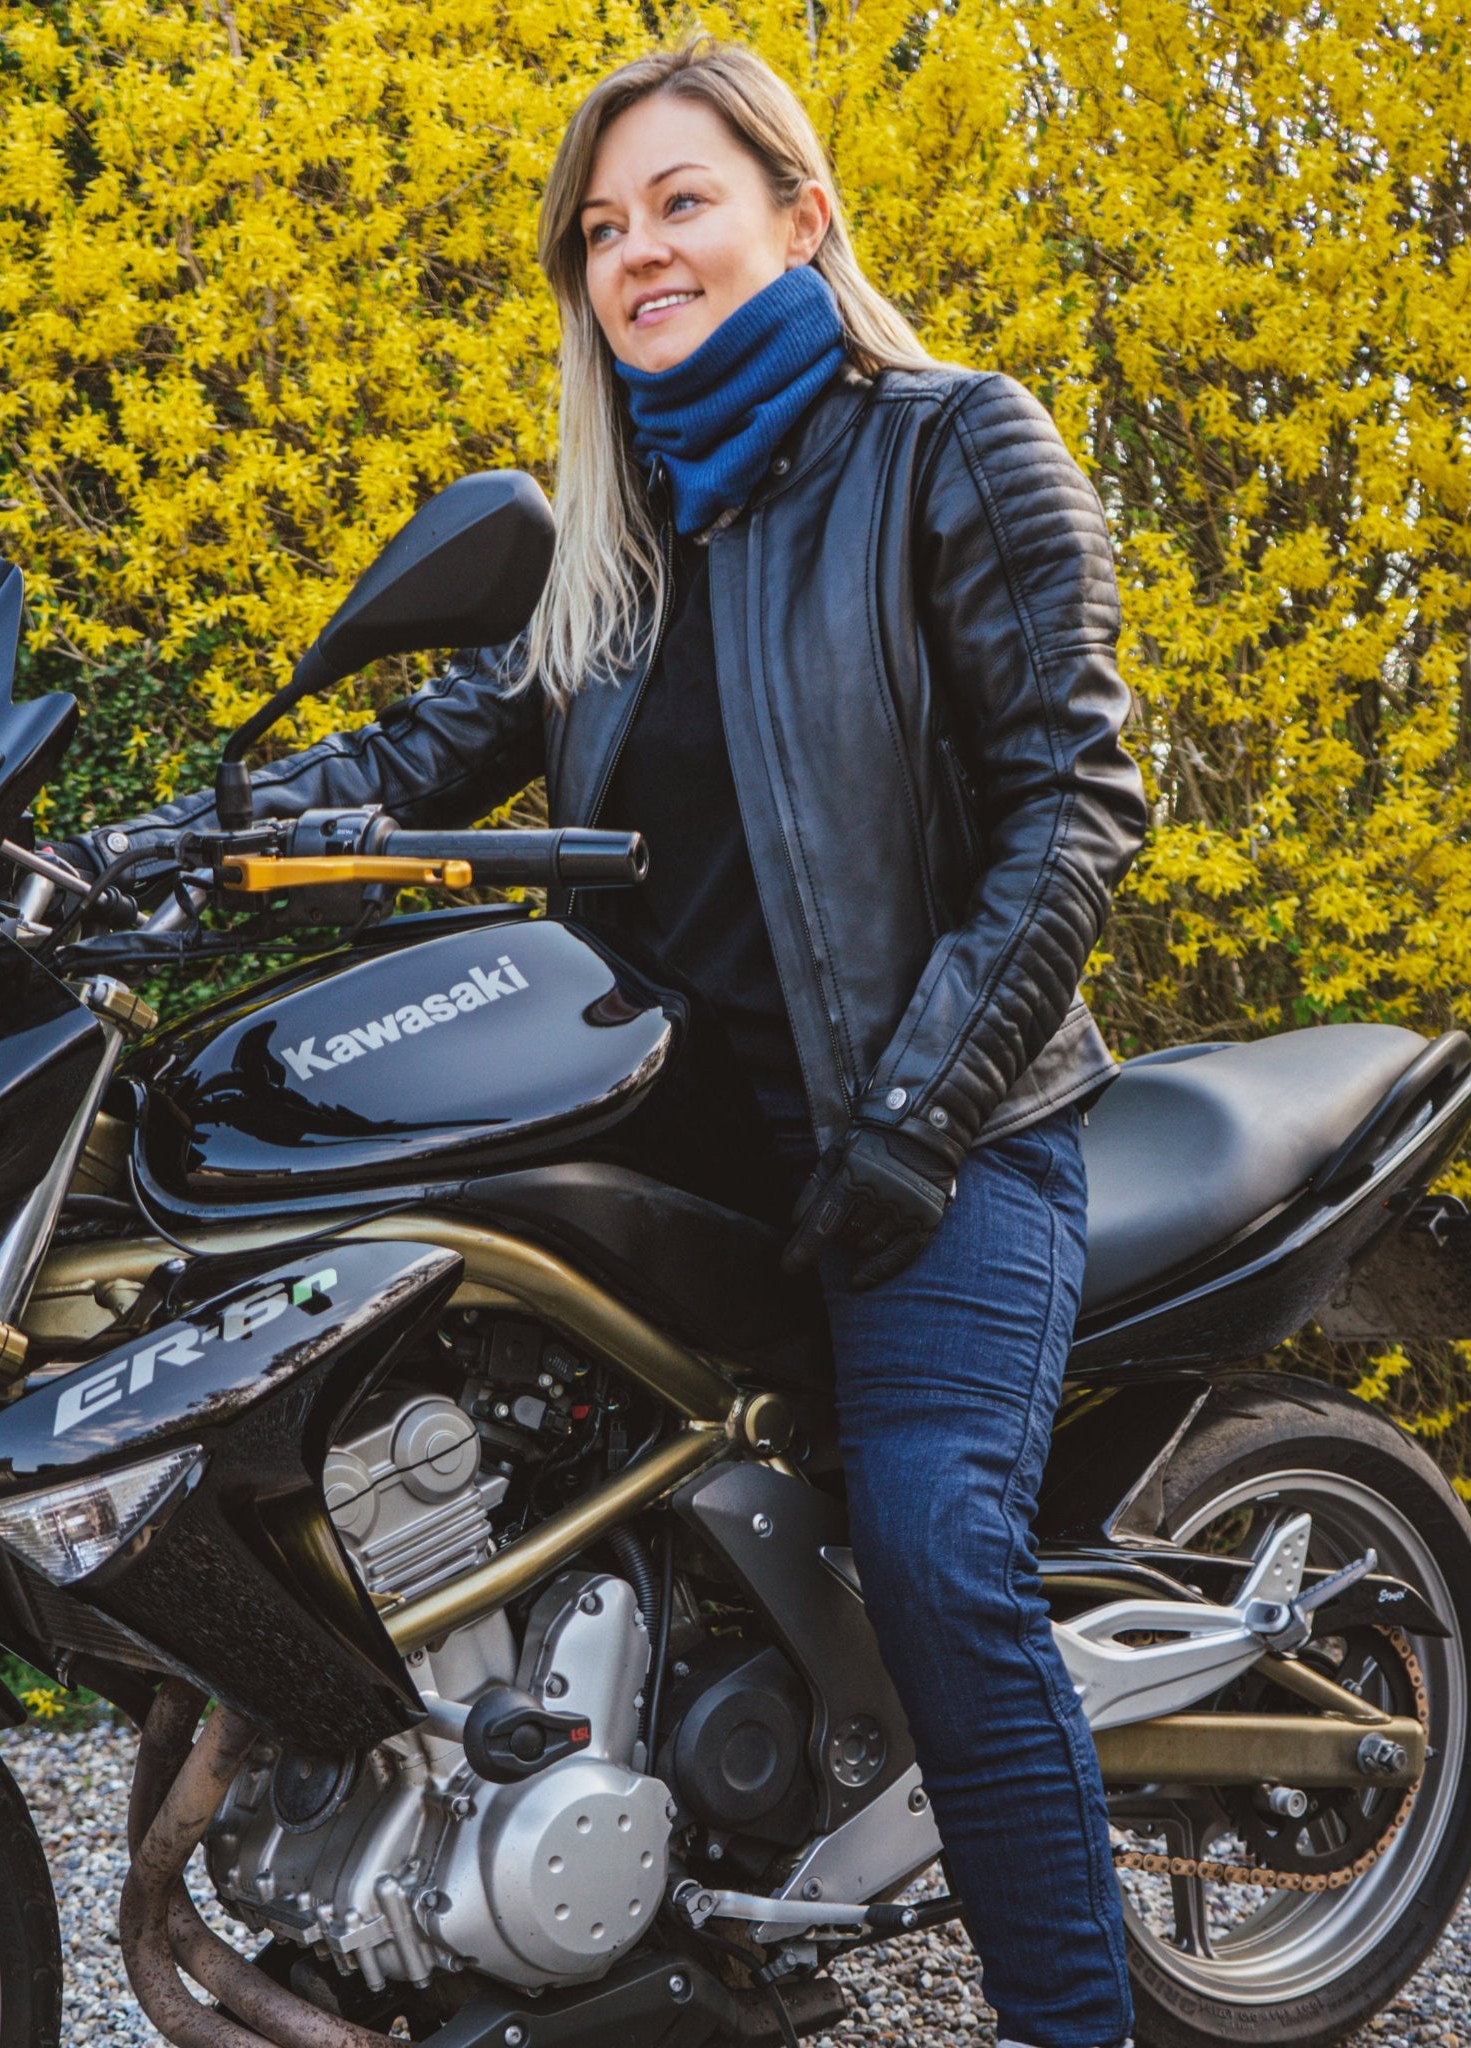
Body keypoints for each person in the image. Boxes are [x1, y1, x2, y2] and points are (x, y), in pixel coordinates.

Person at [65, 37, 1148, 2048]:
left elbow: (1074, 802)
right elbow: (423, 746)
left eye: (678, 201)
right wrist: (175, 834)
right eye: (600, 226)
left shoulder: (950, 448)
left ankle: (1071, 2023)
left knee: (931, 1544)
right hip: (680, 1157)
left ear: (798, 213)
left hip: (940, 1149)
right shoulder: (619, 540)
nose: (631, 248)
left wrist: (920, 1106)